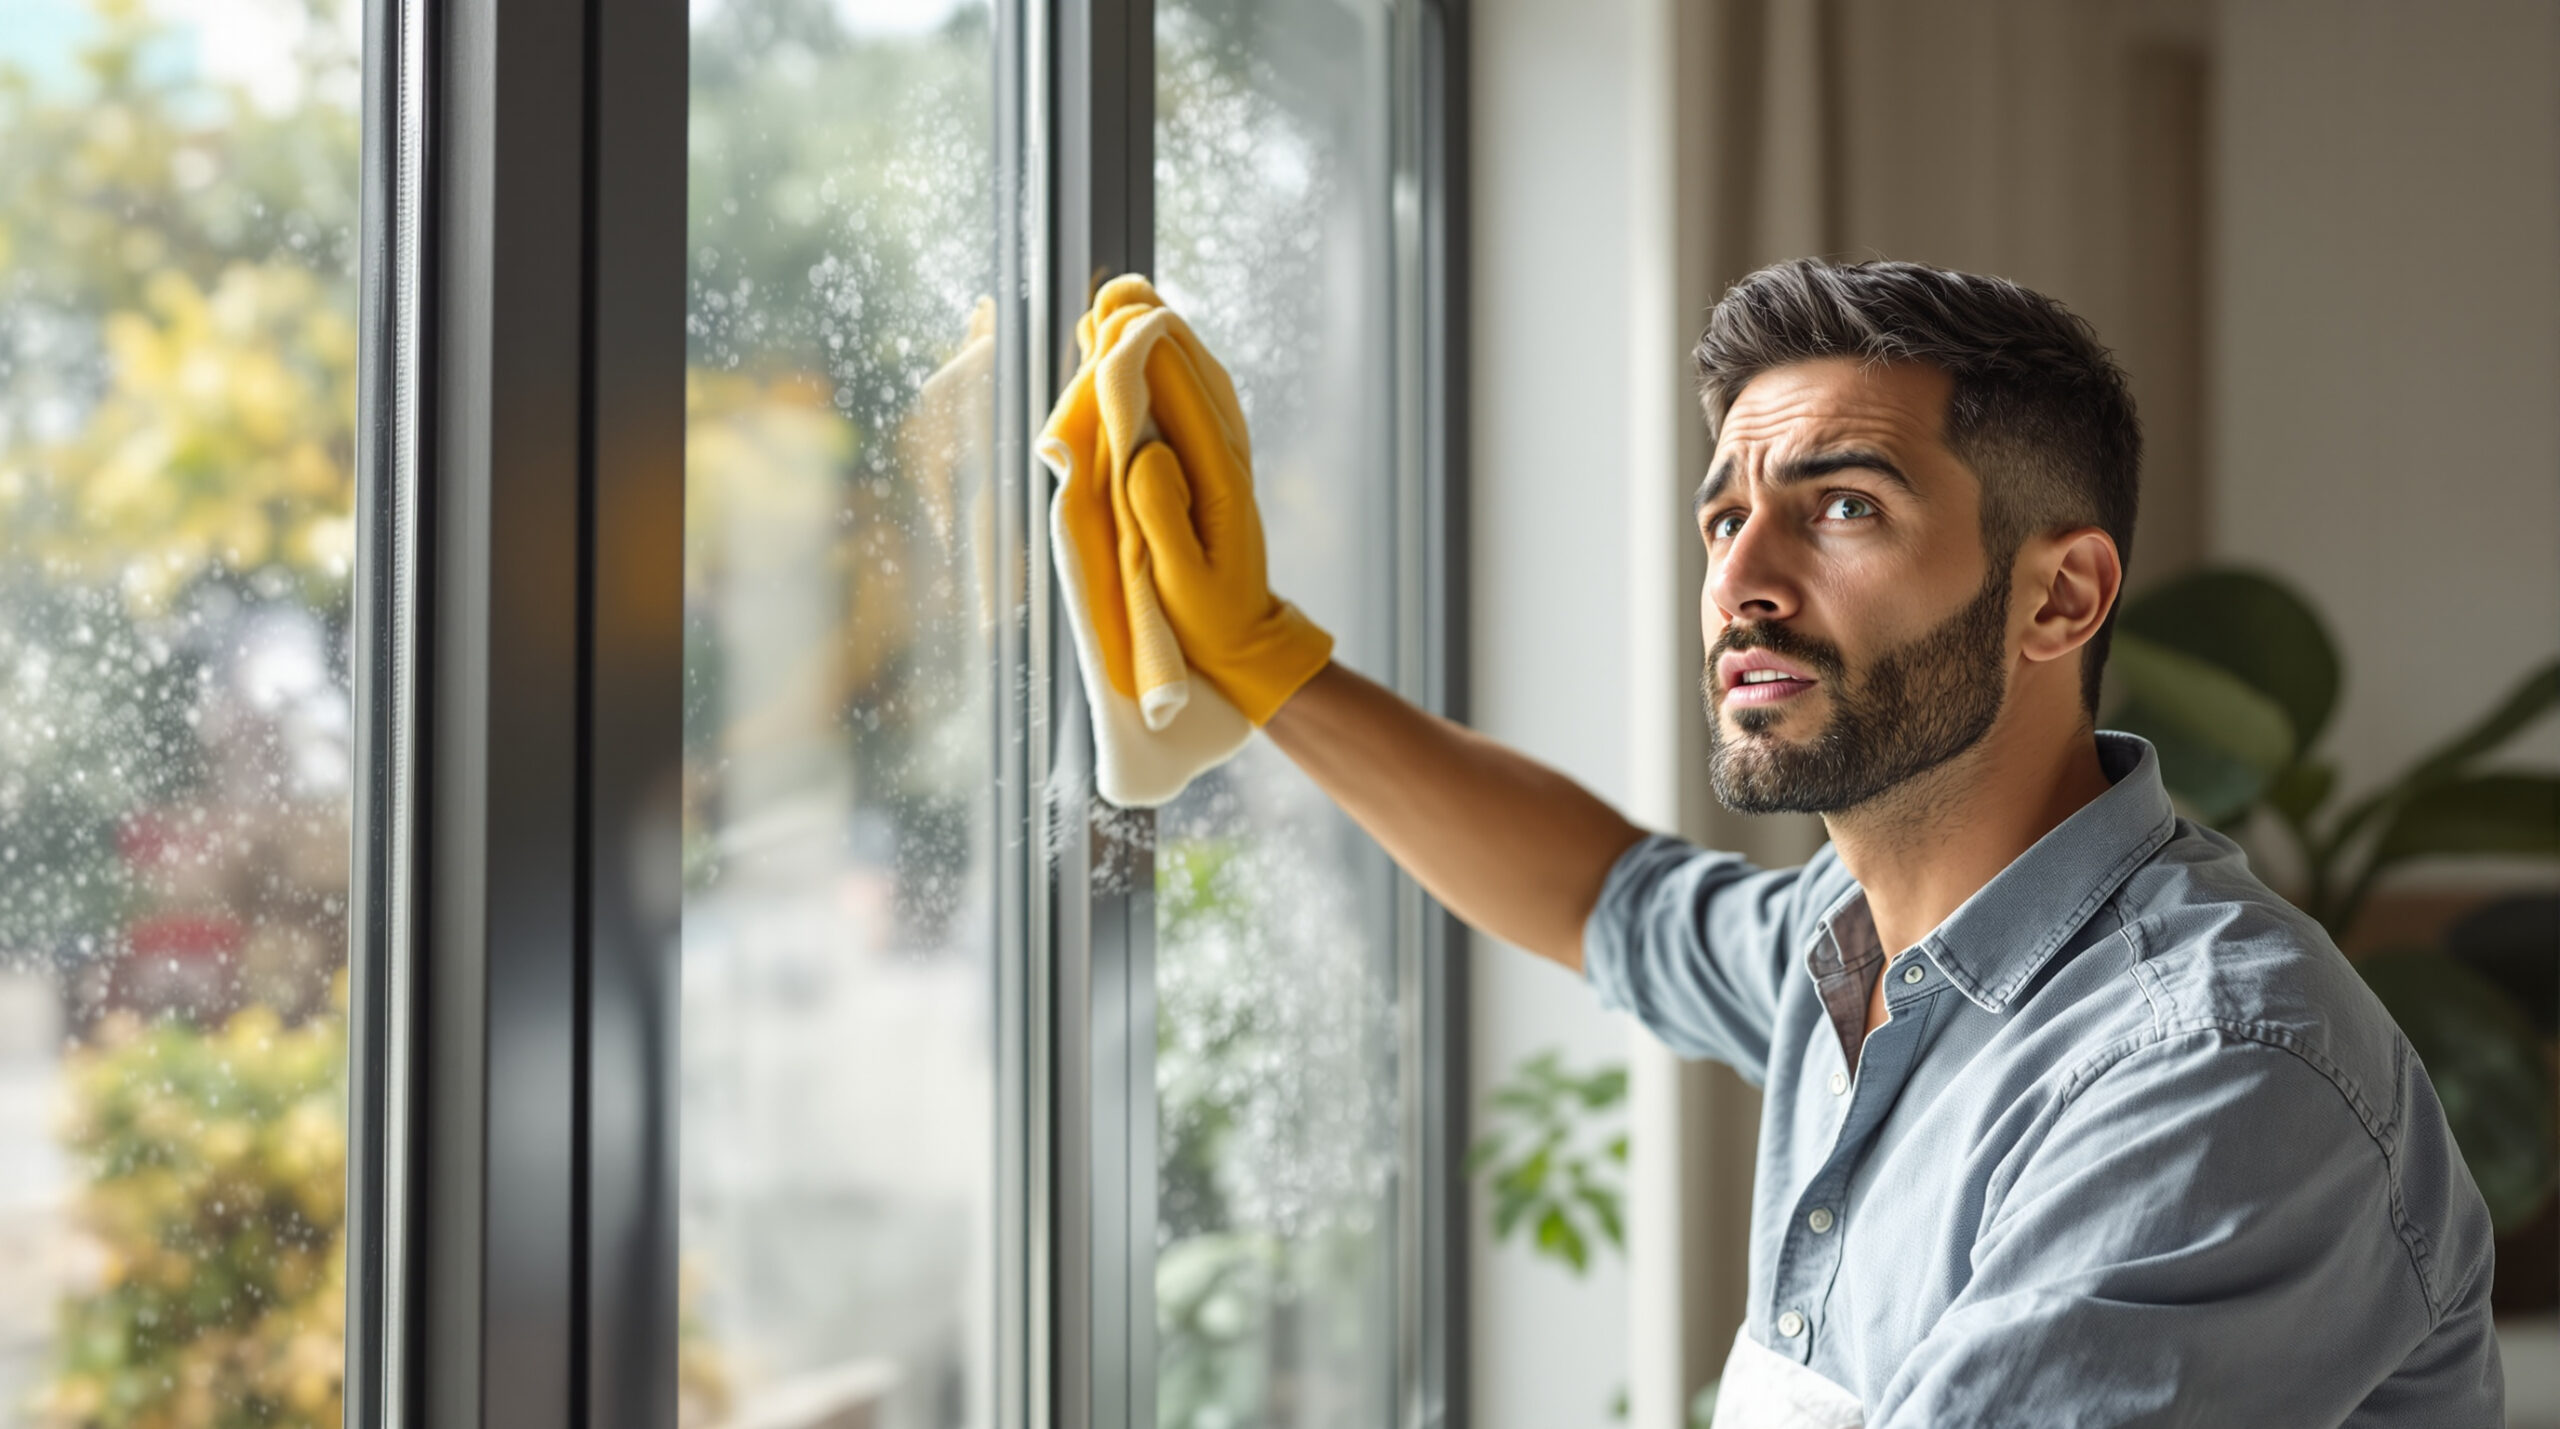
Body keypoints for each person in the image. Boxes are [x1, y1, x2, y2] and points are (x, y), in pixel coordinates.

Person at [1128, 257, 2502, 1426]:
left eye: (1843, 506)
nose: (1739, 581)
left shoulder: (2211, 1074)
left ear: (2060, 596)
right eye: (1726, 515)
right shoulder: (1852, 937)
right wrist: (1264, 660)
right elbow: (1609, 896)